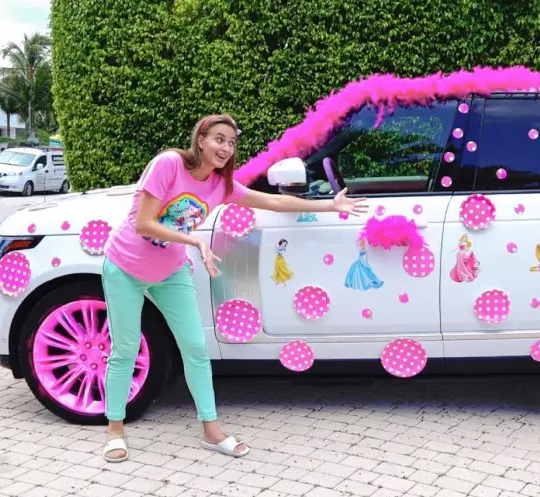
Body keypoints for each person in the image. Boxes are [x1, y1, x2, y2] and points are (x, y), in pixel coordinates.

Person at [101, 114, 368, 463]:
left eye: (231, 142)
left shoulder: (221, 186)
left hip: (170, 271)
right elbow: (144, 223)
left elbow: (274, 202)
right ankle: (115, 430)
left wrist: (329, 205)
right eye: (219, 139)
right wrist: (195, 241)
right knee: (125, 349)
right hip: (124, 266)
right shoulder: (169, 164)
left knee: (196, 348)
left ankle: (211, 431)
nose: (226, 148)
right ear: (200, 140)